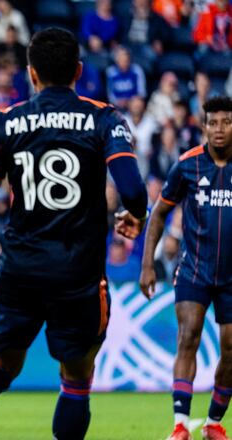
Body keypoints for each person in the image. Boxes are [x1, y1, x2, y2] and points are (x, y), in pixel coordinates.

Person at [0, 28, 148, 440]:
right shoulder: (104, 117)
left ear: (31, 74)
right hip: (80, 271)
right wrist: (134, 214)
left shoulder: (7, 121)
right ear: (79, 70)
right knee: (76, 375)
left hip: (21, 266)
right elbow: (134, 191)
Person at [139, 96, 232, 440]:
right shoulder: (188, 165)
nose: (219, 129)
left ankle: (213, 423)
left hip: (231, 278)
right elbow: (160, 212)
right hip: (194, 269)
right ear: (203, 126)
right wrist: (148, 263)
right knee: (188, 335)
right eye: (213, 122)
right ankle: (180, 425)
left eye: (226, 122)